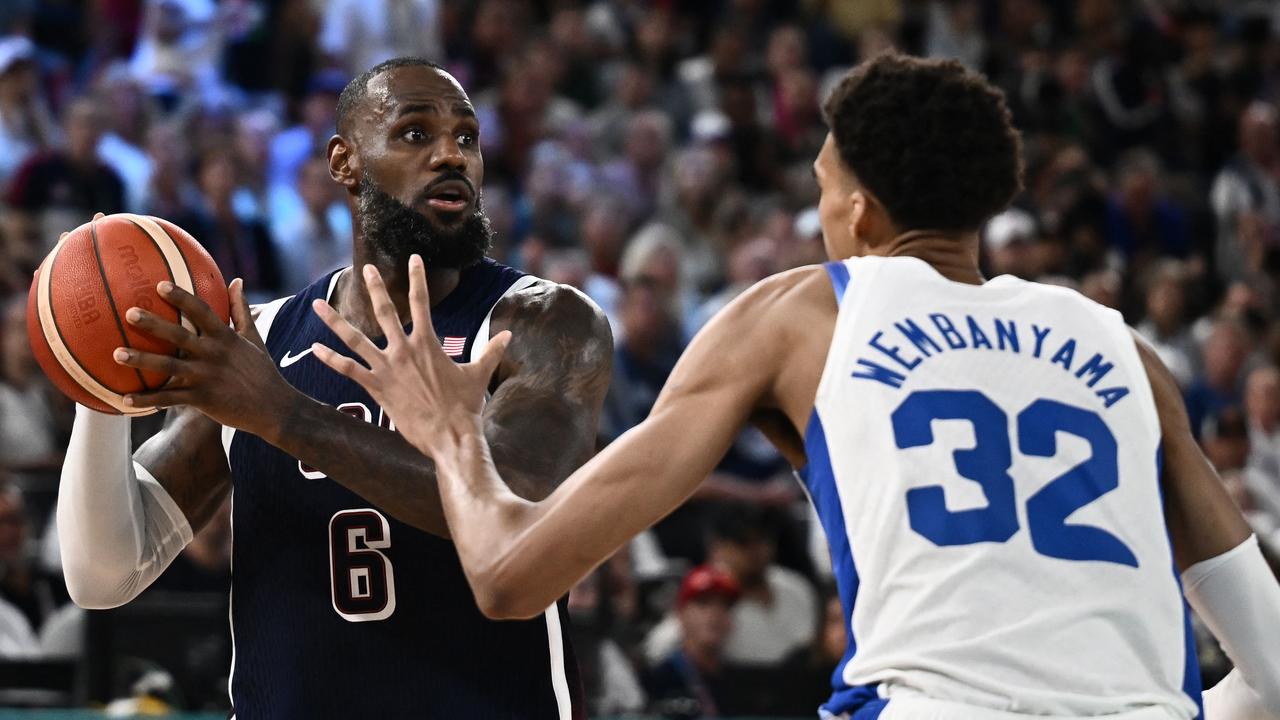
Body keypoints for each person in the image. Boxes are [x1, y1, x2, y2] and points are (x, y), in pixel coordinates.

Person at [316, 54, 1280, 720]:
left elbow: (508, 577)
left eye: (820, 189)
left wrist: (448, 428)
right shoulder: (1126, 351)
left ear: (857, 208)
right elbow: (1274, 670)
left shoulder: (800, 313)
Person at [57, 57, 613, 718]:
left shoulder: (542, 321)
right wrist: (98, 387)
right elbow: (103, 574)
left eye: (467, 138)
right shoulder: (262, 339)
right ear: (344, 163)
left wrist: (285, 415)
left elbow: (521, 516)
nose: (451, 156)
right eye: (415, 133)